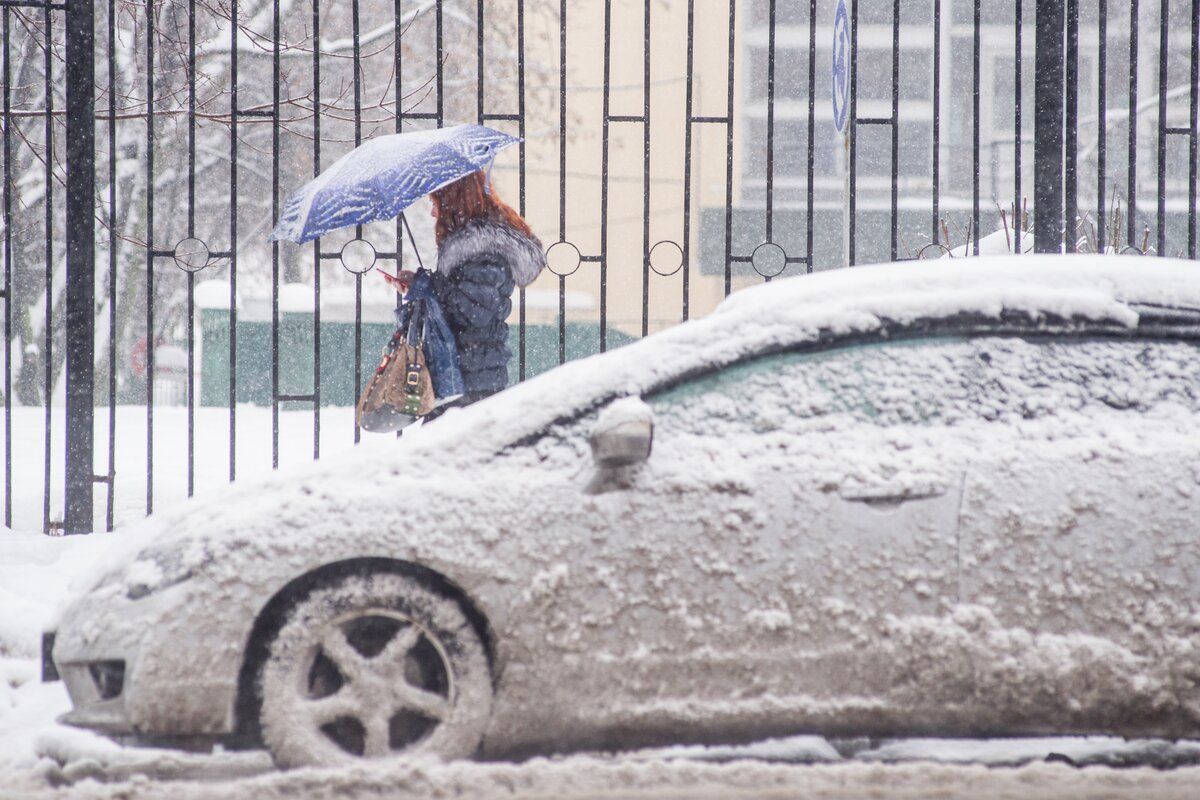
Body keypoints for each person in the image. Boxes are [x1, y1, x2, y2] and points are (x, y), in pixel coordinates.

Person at [381, 169, 545, 415]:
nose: (433, 212)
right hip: (463, 375)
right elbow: (461, 296)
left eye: (436, 203)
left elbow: (473, 312)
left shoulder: (485, 249)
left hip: (473, 380)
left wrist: (424, 286)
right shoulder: (472, 247)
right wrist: (419, 282)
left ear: (454, 201)